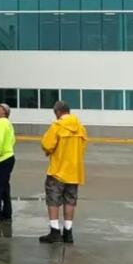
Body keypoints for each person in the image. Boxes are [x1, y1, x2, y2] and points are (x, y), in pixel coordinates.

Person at [39, 101, 87, 244]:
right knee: (70, 201)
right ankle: (68, 232)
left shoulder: (57, 126)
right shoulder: (81, 128)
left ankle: (54, 232)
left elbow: (47, 144)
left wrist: (49, 152)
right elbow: (83, 148)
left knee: (53, 200)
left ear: (58, 112)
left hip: (58, 170)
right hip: (74, 172)